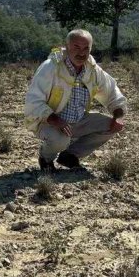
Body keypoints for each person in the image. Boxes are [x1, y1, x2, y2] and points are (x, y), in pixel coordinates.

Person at [24, 29, 128, 173]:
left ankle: (70, 155)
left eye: (86, 48)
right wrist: (54, 119)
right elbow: (33, 101)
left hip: (78, 120)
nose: (81, 53)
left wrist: (118, 116)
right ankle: (46, 158)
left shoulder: (93, 70)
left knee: (110, 125)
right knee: (61, 140)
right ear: (67, 47)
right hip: (48, 122)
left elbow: (112, 91)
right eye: (76, 47)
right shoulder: (51, 67)